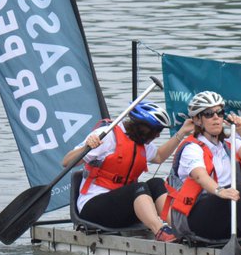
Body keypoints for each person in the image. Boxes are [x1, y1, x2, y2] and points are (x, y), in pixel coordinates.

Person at [61, 100, 191, 242]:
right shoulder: (107, 135)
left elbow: (159, 156)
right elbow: (66, 162)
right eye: (156, 131)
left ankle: (181, 229)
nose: (158, 136)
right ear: (141, 127)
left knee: (156, 183)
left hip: (120, 208)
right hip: (92, 208)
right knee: (138, 188)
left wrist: (182, 132)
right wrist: (87, 146)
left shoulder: (141, 141)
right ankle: (160, 231)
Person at [162, 90, 241, 243]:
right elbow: (200, 176)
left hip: (226, 205)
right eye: (209, 114)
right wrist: (220, 191)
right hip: (195, 217)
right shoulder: (192, 148)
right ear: (197, 120)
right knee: (236, 188)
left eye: (220, 113)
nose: (216, 117)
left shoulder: (228, 142)